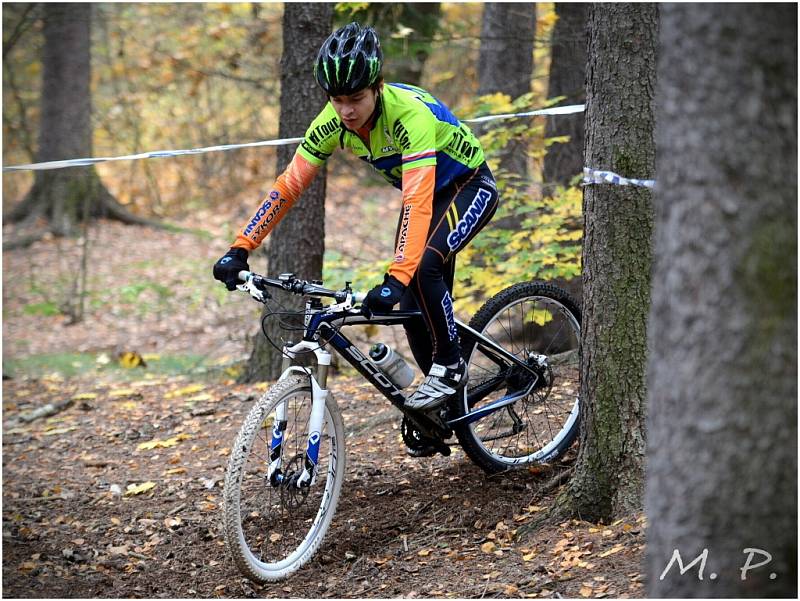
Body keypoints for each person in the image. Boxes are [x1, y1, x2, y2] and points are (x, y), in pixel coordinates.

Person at [214, 22, 499, 415]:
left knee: (423, 268)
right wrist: (241, 247)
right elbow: (288, 186)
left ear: (377, 86)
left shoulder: (407, 116)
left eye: (356, 98)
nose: (346, 110)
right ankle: (444, 401)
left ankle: (451, 367)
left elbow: (417, 200)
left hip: (469, 185)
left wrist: (397, 276)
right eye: (336, 99)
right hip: (427, 196)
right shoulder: (331, 122)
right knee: (411, 308)